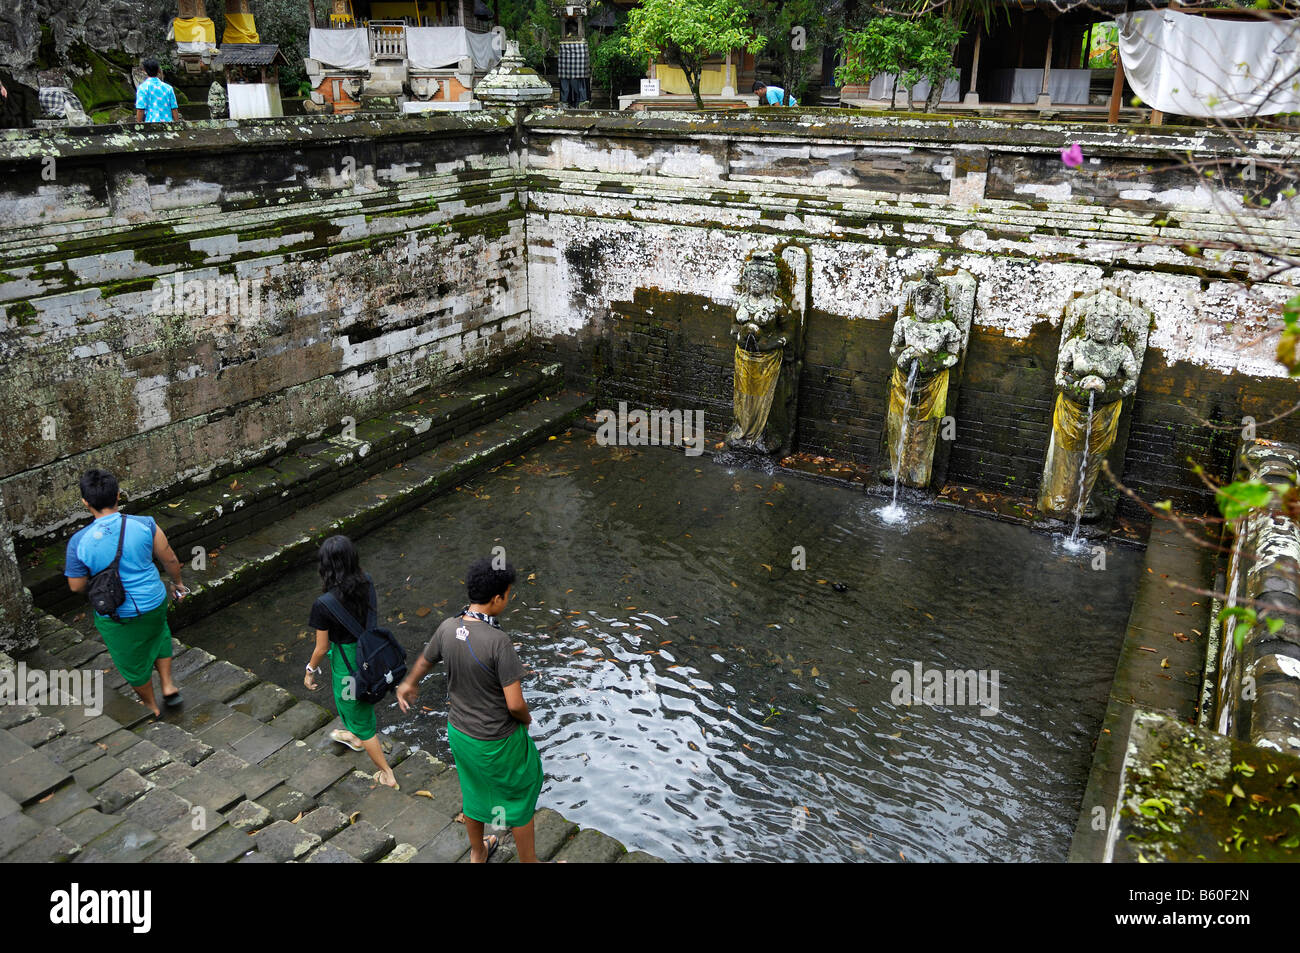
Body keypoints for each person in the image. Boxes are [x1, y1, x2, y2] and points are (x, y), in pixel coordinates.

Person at [396, 557, 544, 862]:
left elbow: (426, 659)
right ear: (497, 597)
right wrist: (527, 720)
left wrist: (410, 682)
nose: (508, 599)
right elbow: (514, 704)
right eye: (508, 594)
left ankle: (478, 853)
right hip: (496, 741)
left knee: (474, 791)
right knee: (519, 795)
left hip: (461, 734)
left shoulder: (448, 627)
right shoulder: (498, 642)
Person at [64, 469, 186, 717]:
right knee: (159, 634)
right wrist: (178, 584)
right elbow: (170, 559)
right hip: (154, 600)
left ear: (86, 503)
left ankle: (151, 706)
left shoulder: (79, 542)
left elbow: (76, 586)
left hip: (118, 612)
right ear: (118, 496)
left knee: (131, 660)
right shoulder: (145, 524)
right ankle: (168, 685)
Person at [304, 535, 399, 789]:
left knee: (359, 715)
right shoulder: (366, 581)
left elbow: (322, 647)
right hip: (369, 654)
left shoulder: (323, 605)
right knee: (353, 707)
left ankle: (387, 773)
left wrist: (310, 669)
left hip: (348, 668)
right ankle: (354, 735)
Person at [135, 57, 180, 123]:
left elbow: (140, 109)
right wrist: (177, 124)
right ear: (159, 70)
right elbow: (174, 108)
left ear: (144, 70)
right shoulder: (168, 88)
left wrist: (138, 124)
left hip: (150, 124)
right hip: (168, 124)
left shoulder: (142, 88)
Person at [557, 19, 590, 108]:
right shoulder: (566, 38)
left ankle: (581, 102)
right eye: (570, 27)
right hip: (565, 62)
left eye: (573, 27)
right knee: (565, 84)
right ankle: (564, 102)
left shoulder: (580, 39)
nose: (572, 29)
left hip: (578, 63)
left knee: (578, 84)